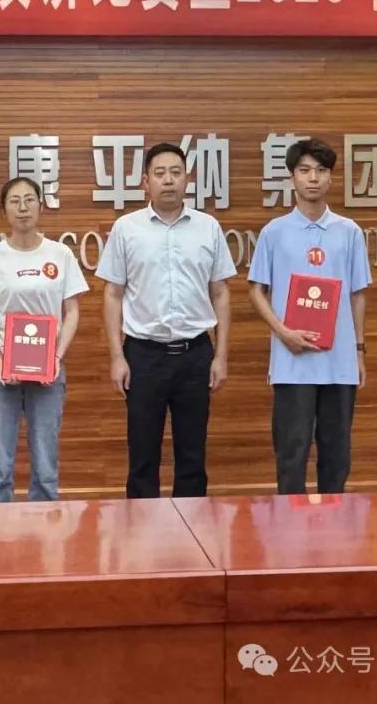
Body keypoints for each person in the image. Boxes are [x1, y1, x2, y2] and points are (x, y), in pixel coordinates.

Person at [96, 142, 235, 498]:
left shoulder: (208, 227)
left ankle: (192, 527)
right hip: (143, 356)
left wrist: (220, 356)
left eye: (176, 172)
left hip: (195, 354)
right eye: (160, 173)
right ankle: (142, 529)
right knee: (142, 455)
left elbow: (220, 292)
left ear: (188, 178)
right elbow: (112, 294)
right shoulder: (126, 228)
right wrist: (117, 356)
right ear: (146, 181)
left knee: (193, 455)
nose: (168, 180)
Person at [247, 138, 370, 495]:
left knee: (337, 455)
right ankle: (289, 525)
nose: (312, 178)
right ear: (292, 178)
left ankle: (335, 524)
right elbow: (256, 290)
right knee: (292, 452)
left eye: (320, 171)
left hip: (339, 361)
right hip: (292, 361)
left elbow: (358, 294)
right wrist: (283, 331)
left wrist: (359, 350)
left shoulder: (349, 231)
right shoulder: (274, 232)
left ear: (331, 178)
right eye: (304, 171)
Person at [0, 177, 88, 502]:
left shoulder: (60, 254)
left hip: (48, 372)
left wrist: (56, 357)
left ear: (40, 206)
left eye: (29, 200)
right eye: (14, 201)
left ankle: (45, 527)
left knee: (46, 465)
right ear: (4, 210)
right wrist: (0, 360)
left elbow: (72, 311)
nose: (23, 208)